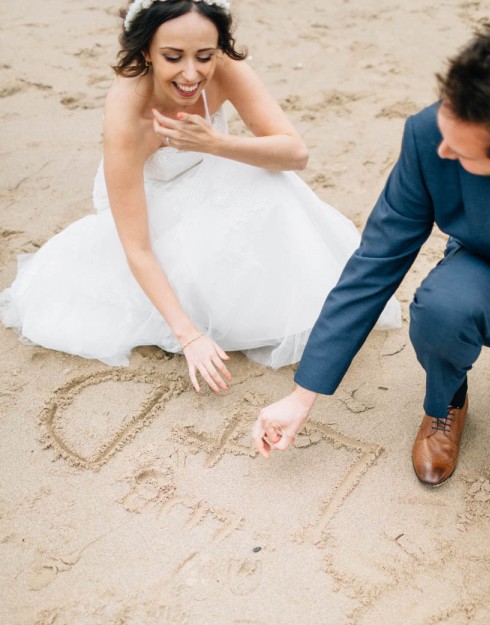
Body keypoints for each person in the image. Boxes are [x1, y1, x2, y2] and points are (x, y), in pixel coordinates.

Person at [252, 12, 490, 486]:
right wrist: (302, 395)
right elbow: (376, 260)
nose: (444, 153)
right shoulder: (428, 135)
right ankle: (448, 402)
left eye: (464, 152)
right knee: (441, 311)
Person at [0, 0, 401, 393]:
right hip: (149, 207)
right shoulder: (127, 116)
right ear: (146, 52)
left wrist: (212, 143)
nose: (192, 73)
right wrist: (190, 336)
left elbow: (295, 154)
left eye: (204, 56)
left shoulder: (223, 69)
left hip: (210, 169)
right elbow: (137, 248)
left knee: (273, 185)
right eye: (173, 57)